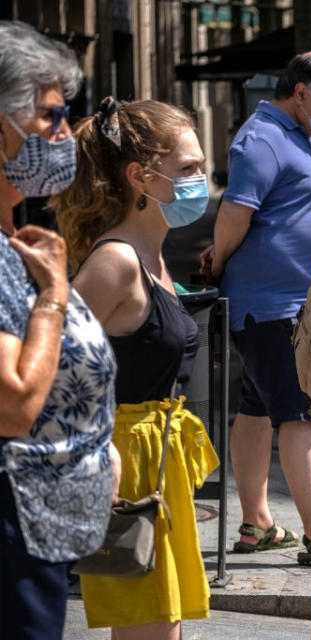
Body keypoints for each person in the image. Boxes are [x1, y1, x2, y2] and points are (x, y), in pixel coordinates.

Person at [51, 97, 219, 639]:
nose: (202, 180)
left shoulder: (153, 257)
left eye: (203, 167)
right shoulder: (117, 262)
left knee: (160, 626)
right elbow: (51, 364)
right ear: (138, 177)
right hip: (127, 462)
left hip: (159, 457)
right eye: (189, 169)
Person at [202, 50, 311, 565]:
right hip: (274, 306)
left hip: (287, 303)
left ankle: (257, 525)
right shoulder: (261, 137)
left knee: (258, 410)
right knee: (299, 413)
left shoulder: (296, 135)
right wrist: (218, 263)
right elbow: (235, 211)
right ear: (300, 93)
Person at [0, 21, 118, 639]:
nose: (65, 135)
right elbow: (15, 402)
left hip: (36, 530)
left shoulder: (13, 241)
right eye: (51, 116)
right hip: (13, 531)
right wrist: (51, 296)